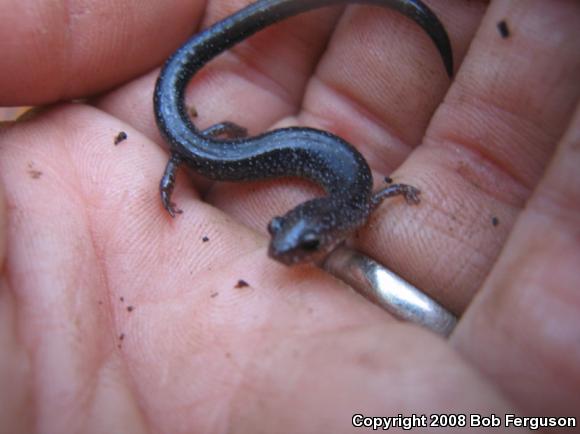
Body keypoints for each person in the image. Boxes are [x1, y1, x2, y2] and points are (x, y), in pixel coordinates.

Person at [0, 1, 578, 432]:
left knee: (203, 140)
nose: (280, 248)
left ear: (324, 224)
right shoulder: (342, 203)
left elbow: (379, 198)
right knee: (197, 142)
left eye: (295, 242)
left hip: (206, 142)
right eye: (284, 234)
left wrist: (399, 195)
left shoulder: (355, 202)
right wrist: (174, 173)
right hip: (197, 140)